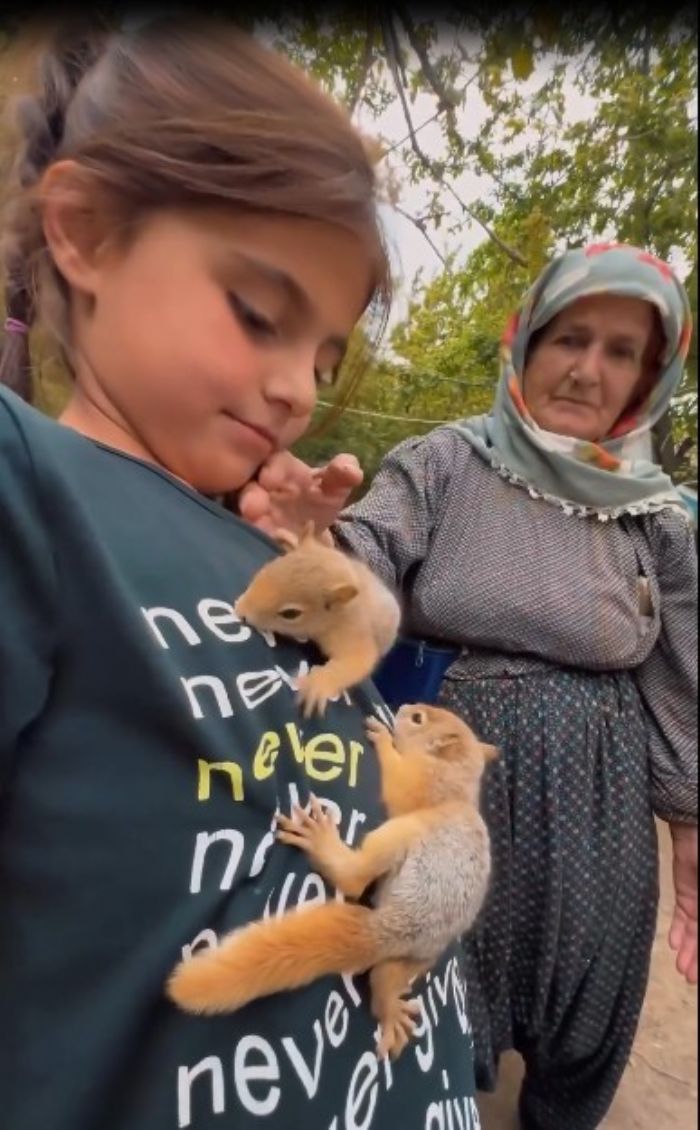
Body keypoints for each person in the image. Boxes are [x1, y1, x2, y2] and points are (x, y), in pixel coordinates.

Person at [0, 16, 483, 1130]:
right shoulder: (33, 487)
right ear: (85, 231)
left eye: (320, 353)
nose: (297, 390)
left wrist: (306, 556)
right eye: (259, 315)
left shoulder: (257, 534)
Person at [239, 242, 698, 1129]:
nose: (587, 368)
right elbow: (363, 561)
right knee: (432, 987)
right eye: (570, 337)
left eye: (620, 351)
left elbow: (684, 676)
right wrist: (312, 551)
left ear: (650, 377)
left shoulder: (659, 519)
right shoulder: (448, 464)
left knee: (587, 1011)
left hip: (601, 812)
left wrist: (690, 835)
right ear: (526, 340)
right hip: (450, 783)